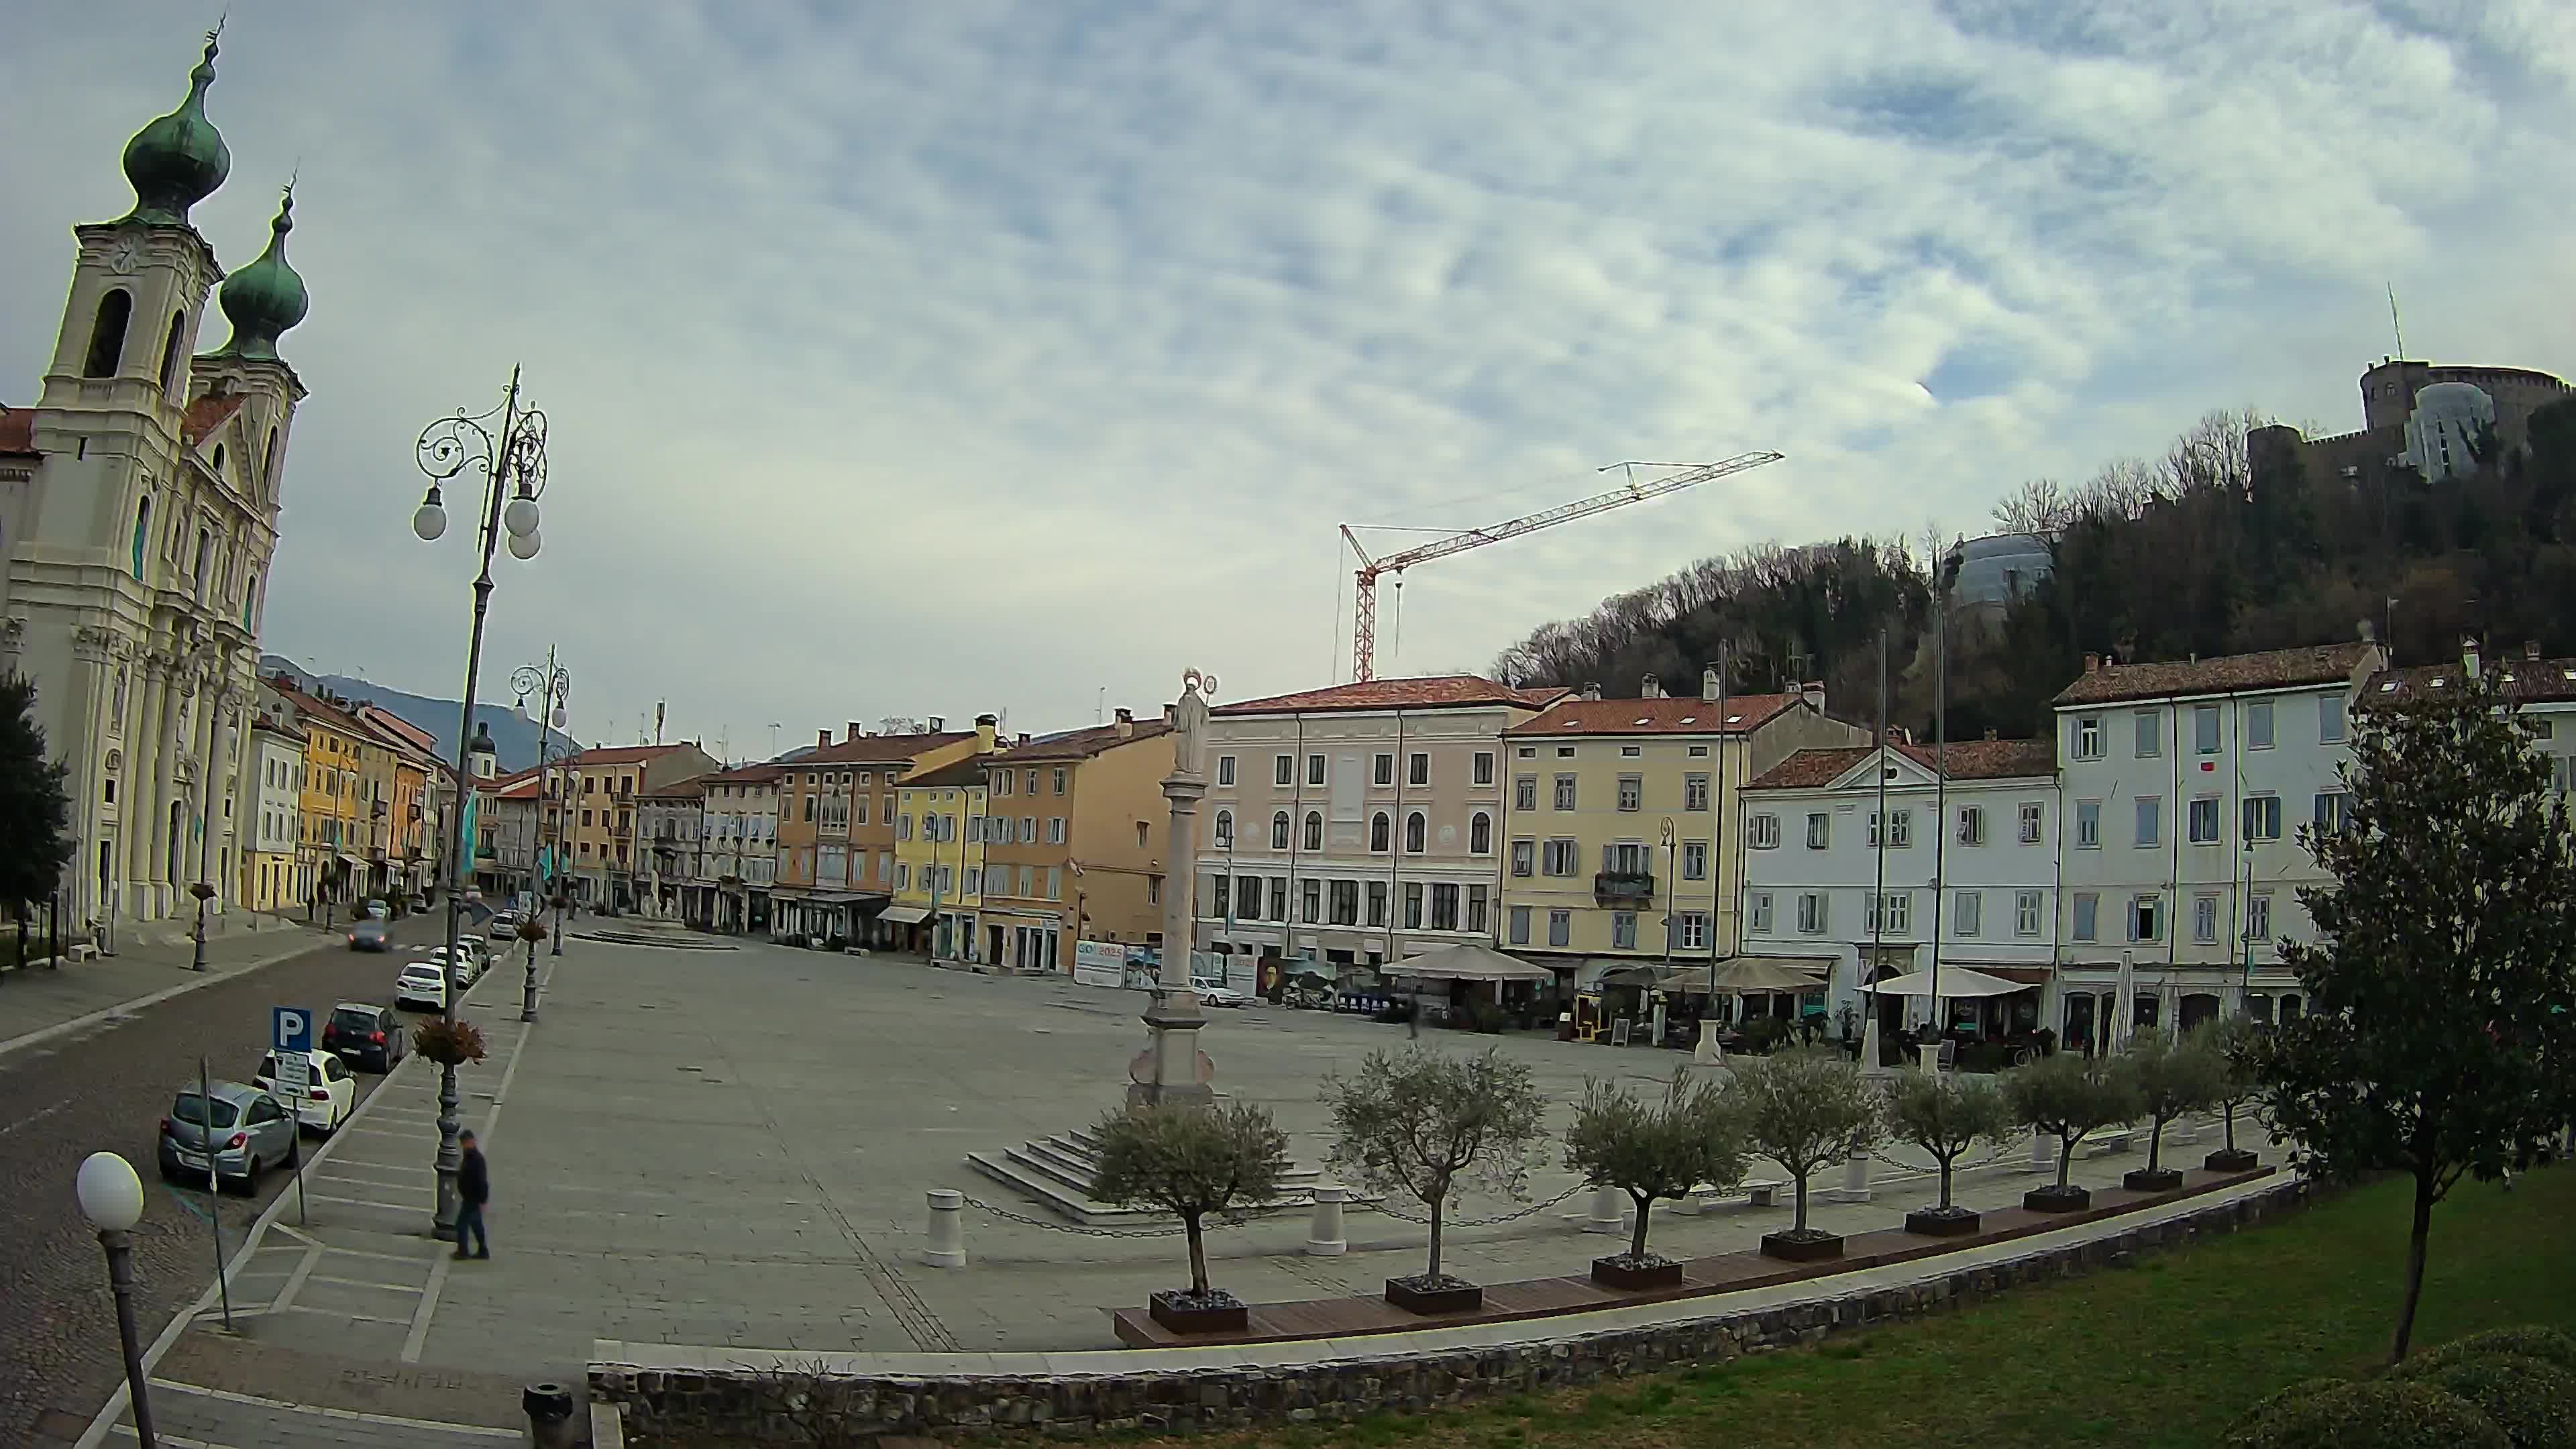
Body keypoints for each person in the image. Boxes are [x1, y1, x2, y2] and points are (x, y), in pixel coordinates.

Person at [455, 1130, 491, 1259]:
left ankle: (463, 1251)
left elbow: (482, 1181)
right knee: (476, 1225)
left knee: (461, 1224)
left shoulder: (477, 1159)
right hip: (470, 1197)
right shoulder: (470, 1156)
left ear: (472, 1142)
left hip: (473, 1198)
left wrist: (483, 1200)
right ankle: (483, 1250)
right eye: (463, 1143)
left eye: (466, 1143)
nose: (464, 1145)